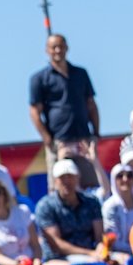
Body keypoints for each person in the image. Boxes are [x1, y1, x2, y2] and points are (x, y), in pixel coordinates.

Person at [28, 34, 99, 188]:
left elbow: (91, 104)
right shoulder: (39, 79)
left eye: (61, 46)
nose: (58, 50)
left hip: (83, 139)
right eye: (53, 47)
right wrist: (47, 139)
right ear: (47, 50)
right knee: (59, 188)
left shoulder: (80, 74)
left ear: (67, 48)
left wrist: (95, 133)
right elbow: (34, 111)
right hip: (59, 141)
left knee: (90, 186)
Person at [34, 159, 105, 265]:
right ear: (55, 181)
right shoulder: (45, 206)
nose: (67, 181)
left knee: (121, 261)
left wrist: (101, 248)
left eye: (70, 177)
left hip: (92, 256)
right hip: (58, 260)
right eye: (62, 178)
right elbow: (57, 244)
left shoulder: (91, 202)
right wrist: (90, 253)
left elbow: (99, 236)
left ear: (77, 178)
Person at [102, 164, 133, 256]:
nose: (125, 179)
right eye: (120, 176)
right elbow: (113, 239)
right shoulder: (110, 206)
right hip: (119, 253)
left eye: (129, 175)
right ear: (114, 180)